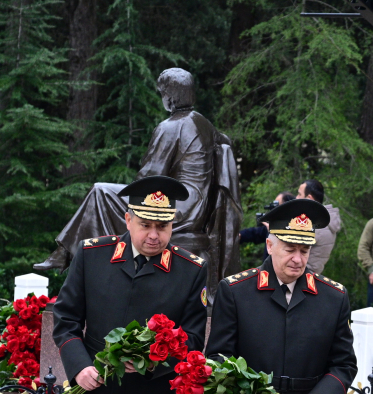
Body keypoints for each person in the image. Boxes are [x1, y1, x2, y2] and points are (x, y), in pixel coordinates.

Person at [52, 176, 208, 394]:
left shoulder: (190, 269)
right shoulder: (93, 255)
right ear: (127, 219)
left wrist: (150, 362)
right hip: (95, 393)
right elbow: (66, 319)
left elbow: (194, 338)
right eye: (145, 225)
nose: (154, 235)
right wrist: (80, 367)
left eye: (162, 227)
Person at [206, 199, 357, 394]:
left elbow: (344, 363)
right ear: (270, 245)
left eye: (305, 250)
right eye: (290, 249)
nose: (298, 259)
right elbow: (218, 357)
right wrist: (245, 389)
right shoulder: (236, 291)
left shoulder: (333, 297)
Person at [37, 68, 242, 299]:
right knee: (105, 194)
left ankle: (67, 254)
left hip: (176, 206)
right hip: (197, 207)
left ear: (170, 97)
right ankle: (67, 253)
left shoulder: (171, 126)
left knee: (100, 192)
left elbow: (149, 177)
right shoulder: (204, 124)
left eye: (163, 93)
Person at [297, 179, 342, 275]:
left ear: (309, 198)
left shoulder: (317, 224)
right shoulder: (324, 221)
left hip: (301, 276)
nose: (296, 198)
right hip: (307, 275)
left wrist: (273, 232)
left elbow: (290, 249)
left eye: (299, 194)